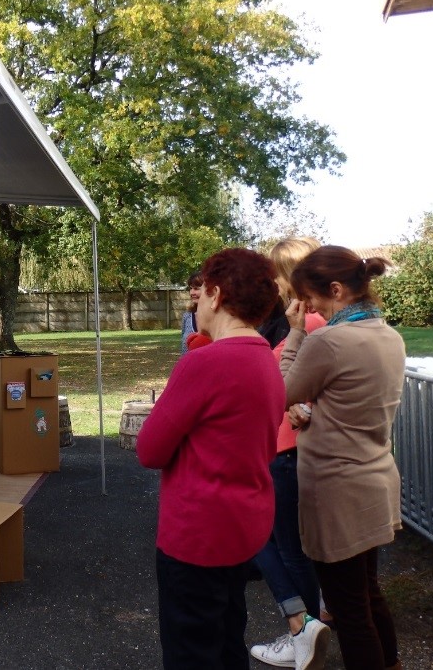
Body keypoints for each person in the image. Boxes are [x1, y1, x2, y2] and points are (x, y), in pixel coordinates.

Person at [137, 248, 285, 669]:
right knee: (227, 639)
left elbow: (150, 449)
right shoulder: (266, 358)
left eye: (200, 294)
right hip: (244, 525)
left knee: (192, 650)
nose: (195, 303)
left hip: (198, 532)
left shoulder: (204, 363)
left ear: (217, 295)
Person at [280, 246, 405, 670]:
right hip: (376, 481)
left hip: (338, 492)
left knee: (349, 611)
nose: (307, 306)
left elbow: (281, 392)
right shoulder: (388, 334)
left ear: (336, 289)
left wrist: (295, 333)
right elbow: (349, 401)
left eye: (310, 297)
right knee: (368, 593)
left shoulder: (328, 340)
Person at [250, 237, 331, 670]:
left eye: (279, 273)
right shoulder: (302, 321)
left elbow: (306, 383)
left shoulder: (312, 323)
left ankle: (303, 628)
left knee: (274, 541)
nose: (276, 283)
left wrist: (307, 407)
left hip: (287, 450)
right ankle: (309, 624)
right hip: (283, 447)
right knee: (286, 544)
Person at [179, 271, 203, 354]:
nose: (192, 293)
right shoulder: (187, 317)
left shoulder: (219, 317)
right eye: (190, 288)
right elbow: (183, 350)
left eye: (196, 288)